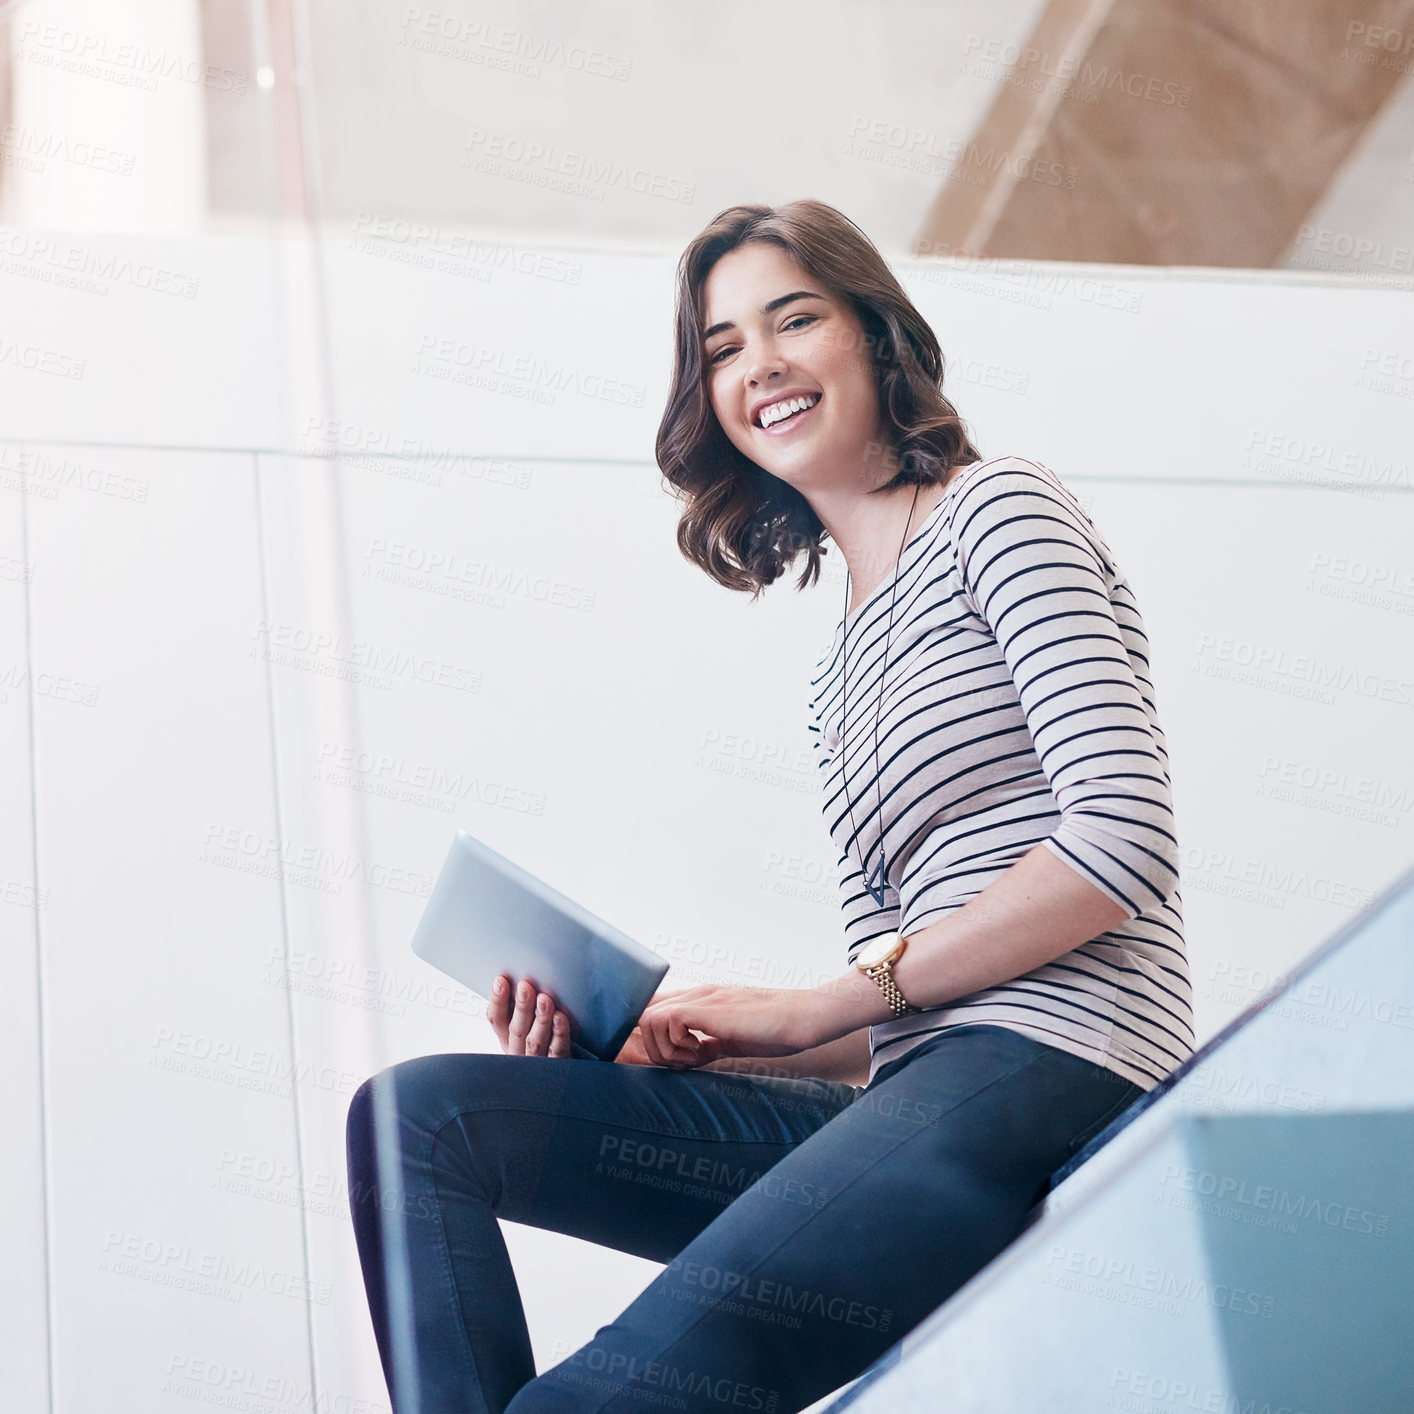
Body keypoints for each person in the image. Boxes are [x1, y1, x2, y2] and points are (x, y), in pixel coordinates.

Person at [345, 199, 1193, 1414]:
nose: (762, 364)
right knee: (415, 1120)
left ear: (875, 335)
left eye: (794, 318)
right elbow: (891, 1001)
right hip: (919, 1087)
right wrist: (720, 1032)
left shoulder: (1001, 508)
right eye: (723, 346)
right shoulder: (842, 657)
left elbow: (1122, 839)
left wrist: (810, 1008)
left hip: (1059, 1064)